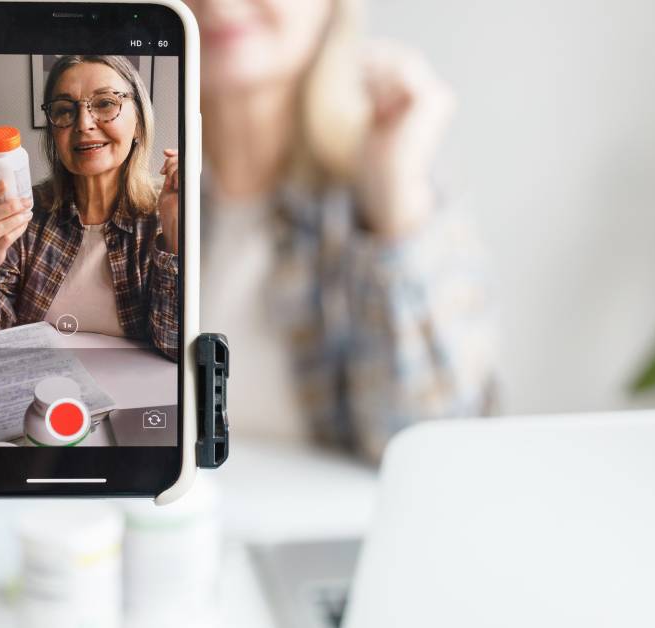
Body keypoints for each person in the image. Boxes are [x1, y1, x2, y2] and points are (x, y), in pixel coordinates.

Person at [188, 0, 498, 460]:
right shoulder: (125, 196)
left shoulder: (390, 181)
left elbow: (438, 454)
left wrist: (393, 209)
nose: (217, 3)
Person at [0, 55, 181, 360]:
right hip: (39, 396)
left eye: (105, 103)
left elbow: (175, 348)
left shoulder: (167, 213)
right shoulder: (25, 214)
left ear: (138, 122)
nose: (84, 124)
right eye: (64, 110)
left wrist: (176, 238)